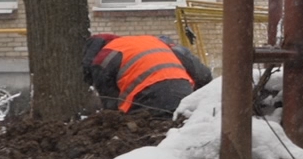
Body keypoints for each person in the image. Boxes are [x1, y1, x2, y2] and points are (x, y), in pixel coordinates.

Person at [82, 33, 213, 117]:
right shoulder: (152, 41)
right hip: (184, 99)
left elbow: (111, 106)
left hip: (146, 103)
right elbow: (203, 75)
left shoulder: (103, 58)